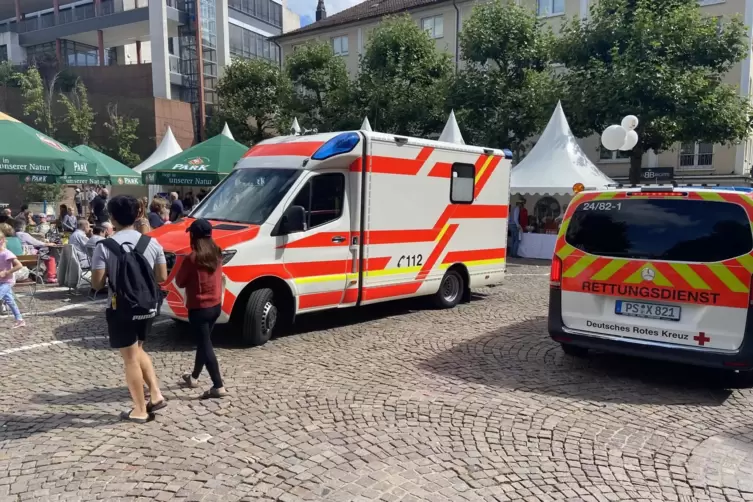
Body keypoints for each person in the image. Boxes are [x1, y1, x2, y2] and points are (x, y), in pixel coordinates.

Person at [91, 195, 167, 423]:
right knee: (139, 349)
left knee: (130, 358)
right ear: (137, 215)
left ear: (112, 218)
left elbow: (96, 283)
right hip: (146, 305)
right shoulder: (151, 243)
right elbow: (162, 276)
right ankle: (155, 394)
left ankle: (140, 410)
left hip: (121, 307)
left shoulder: (104, 246)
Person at [176, 218, 228, 399]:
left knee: (206, 345)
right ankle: (194, 377)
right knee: (203, 342)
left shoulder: (192, 258)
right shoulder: (217, 252)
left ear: (193, 236)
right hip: (215, 305)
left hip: (199, 308)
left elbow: (180, 282)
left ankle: (218, 386)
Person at [0, 234, 25, 328]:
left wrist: (6, 272)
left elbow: (19, 265)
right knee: (10, 300)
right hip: (1, 281)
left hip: (7, 281)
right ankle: (20, 320)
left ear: (2, 241)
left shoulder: (7, 253)